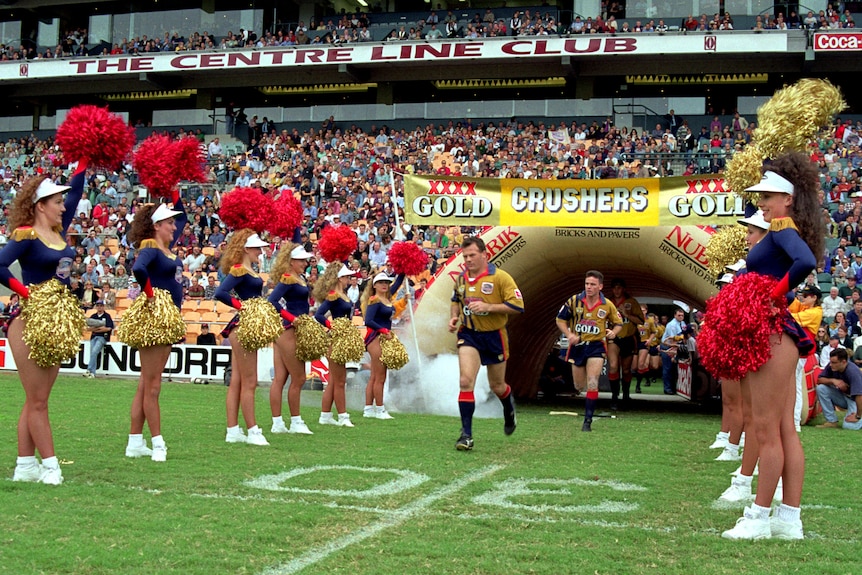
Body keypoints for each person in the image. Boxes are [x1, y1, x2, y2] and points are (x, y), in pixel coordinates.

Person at [720, 155, 822, 541]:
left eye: (767, 195)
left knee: (766, 430)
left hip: (773, 331)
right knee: (782, 430)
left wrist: (770, 296)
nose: (761, 202)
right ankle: (788, 519)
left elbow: (805, 262)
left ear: (788, 198)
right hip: (780, 333)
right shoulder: (782, 227)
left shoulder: (781, 227)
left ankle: (759, 516)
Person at [0, 164, 86, 484]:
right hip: (29, 322)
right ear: (40, 206)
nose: (64, 206)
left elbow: (76, 193)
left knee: (38, 399)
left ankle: (25, 466)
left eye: (63, 202)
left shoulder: (58, 233)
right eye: (57, 202)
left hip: (56, 321)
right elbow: (0, 265)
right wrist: (26, 293)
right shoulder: (26, 234)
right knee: (37, 401)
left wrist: (83, 160)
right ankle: (51, 466)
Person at [125, 200, 187, 462]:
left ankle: (135, 442)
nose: (174, 227)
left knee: (145, 384)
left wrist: (173, 189)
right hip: (156, 318)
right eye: (169, 223)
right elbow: (138, 268)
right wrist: (151, 296)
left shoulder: (165, 247)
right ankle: (158, 443)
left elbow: (182, 217)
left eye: (174, 222)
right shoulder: (151, 246)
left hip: (167, 317)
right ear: (157, 225)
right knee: (152, 386)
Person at [448, 236, 522, 449]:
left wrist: (490, 307)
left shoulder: (500, 278)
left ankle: (508, 409)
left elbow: (518, 306)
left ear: (484, 255)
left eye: (472, 255)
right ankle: (466, 435)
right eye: (465, 256)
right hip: (469, 334)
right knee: (465, 381)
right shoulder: (461, 279)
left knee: (497, 385)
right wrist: (453, 317)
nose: (468, 260)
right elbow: (455, 301)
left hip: (494, 335)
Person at [216, 230, 272, 446]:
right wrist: (245, 307)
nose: (261, 251)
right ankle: (253, 430)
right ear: (247, 249)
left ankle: (233, 430)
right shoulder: (240, 269)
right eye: (257, 248)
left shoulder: (250, 269)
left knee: (239, 381)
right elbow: (221, 293)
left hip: (245, 326)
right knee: (250, 382)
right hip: (243, 326)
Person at [556, 270, 622, 432]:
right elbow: (560, 319)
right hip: (578, 346)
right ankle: (586, 400)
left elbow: (618, 323)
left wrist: (614, 332)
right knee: (579, 385)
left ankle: (587, 421)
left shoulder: (607, 304)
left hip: (596, 345)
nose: (589, 287)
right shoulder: (574, 301)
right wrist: (569, 334)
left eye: (593, 284)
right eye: (587, 284)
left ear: (600, 286)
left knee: (593, 382)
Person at [267, 243, 315, 435]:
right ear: (292, 262)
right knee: (299, 377)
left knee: (280, 378)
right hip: (289, 330)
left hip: (288, 329)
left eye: (305, 260)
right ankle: (295, 421)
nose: (305, 263)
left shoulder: (299, 277)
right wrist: (292, 318)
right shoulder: (287, 278)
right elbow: (271, 301)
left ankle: (277, 423)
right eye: (301, 260)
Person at [314, 264, 359, 427]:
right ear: (340, 278)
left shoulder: (343, 294)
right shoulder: (333, 295)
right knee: (340, 381)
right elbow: (319, 315)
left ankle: (325, 415)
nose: (349, 280)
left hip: (342, 339)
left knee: (334, 380)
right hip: (336, 340)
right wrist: (332, 326)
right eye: (347, 277)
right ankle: (342, 416)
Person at [362, 269, 405, 420]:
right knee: (380, 377)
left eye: (386, 282)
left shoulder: (387, 297)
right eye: (381, 282)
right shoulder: (374, 300)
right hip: (376, 338)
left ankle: (368, 409)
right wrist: (383, 330)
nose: (384, 285)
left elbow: (399, 281)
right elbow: (368, 321)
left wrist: (404, 266)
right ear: (374, 285)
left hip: (382, 338)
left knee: (375, 376)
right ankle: (379, 409)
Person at [605, 278, 644, 409]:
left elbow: (640, 321)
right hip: (613, 338)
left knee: (626, 369)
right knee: (614, 365)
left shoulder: (631, 302)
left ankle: (626, 395)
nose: (617, 290)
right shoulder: (607, 302)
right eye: (614, 287)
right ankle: (614, 397)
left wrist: (626, 314)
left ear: (624, 289)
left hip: (628, 338)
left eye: (619, 287)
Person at [815, 348, 862, 430]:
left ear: (843, 362)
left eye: (834, 362)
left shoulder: (853, 372)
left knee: (849, 427)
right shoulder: (832, 366)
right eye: (831, 362)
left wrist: (857, 416)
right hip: (845, 397)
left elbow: (859, 395)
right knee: (821, 388)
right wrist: (833, 381)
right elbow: (819, 380)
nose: (830, 365)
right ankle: (831, 421)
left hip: (856, 400)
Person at [660, 308, 687, 395]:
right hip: (668, 346)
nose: (681, 317)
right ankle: (667, 388)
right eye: (679, 315)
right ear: (675, 315)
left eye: (682, 315)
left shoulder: (682, 323)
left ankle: (673, 387)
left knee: (674, 368)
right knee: (667, 367)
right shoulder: (671, 324)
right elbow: (672, 339)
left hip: (676, 346)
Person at [84, 300, 113, 378]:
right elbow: (88, 328)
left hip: (102, 337)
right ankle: (92, 373)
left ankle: (89, 370)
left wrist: (96, 329)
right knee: (93, 353)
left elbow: (109, 328)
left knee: (94, 351)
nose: (99, 307)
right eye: (98, 306)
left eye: (101, 306)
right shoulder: (93, 316)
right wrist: (99, 328)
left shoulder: (107, 316)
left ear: (103, 307)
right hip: (93, 336)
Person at [634, 304, 657, 393]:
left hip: (644, 343)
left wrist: (650, 340)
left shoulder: (650, 321)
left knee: (641, 363)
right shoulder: (635, 320)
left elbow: (654, 332)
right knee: (635, 366)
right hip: (635, 343)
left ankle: (638, 386)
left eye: (643, 310)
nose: (641, 312)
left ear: (646, 311)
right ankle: (647, 378)